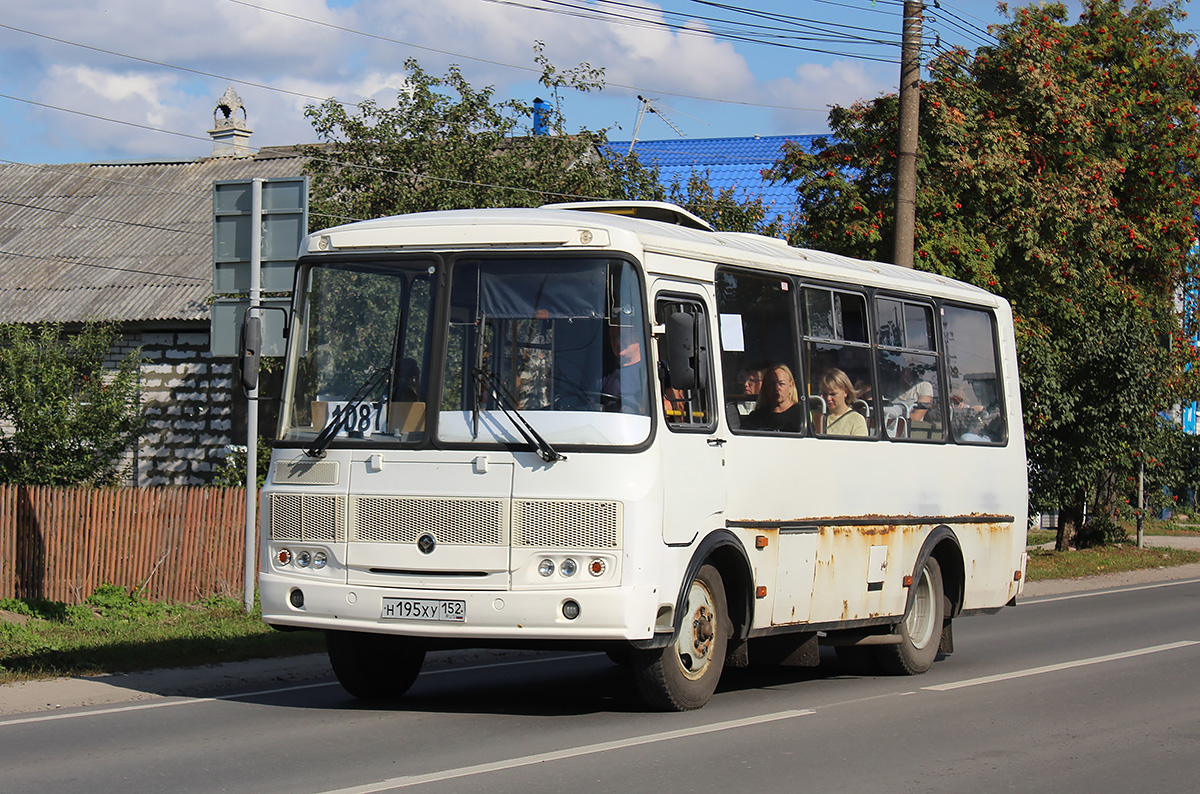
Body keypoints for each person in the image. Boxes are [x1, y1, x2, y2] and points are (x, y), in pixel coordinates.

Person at [601, 322, 648, 413]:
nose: (617, 343)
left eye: (623, 336)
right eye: (613, 338)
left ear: (637, 337)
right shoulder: (604, 373)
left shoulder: (654, 370)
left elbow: (673, 409)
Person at [742, 364, 802, 431]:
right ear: (765, 388)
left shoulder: (801, 415)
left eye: (781, 384)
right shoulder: (756, 417)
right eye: (771, 384)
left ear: (791, 386)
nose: (776, 389)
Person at [820, 368, 868, 437]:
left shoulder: (856, 419)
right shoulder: (817, 416)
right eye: (824, 394)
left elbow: (860, 447)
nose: (828, 398)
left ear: (846, 392)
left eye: (833, 394)